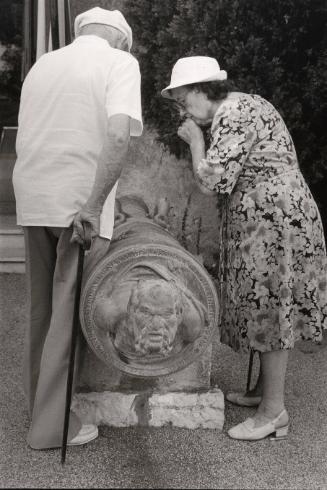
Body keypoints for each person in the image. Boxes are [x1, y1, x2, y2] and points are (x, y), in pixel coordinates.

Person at [161, 56, 327, 441]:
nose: (183, 110)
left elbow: (212, 182)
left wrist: (196, 142)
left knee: (269, 307)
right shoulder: (250, 103)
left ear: (203, 89)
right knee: (263, 302)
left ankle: (273, 413)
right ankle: (261, 393)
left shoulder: (235, 116)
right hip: (274, 217)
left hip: (273, 222)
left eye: (184, 100)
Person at [13, 7, 143, 450]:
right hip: (76, 205)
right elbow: (119, 136)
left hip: (34, 197)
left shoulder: (43, 63)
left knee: (41, 311)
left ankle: (41, 409)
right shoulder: (120, 62)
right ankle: (52, 429)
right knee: (68, 316)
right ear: (121, 40)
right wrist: (92, 204)